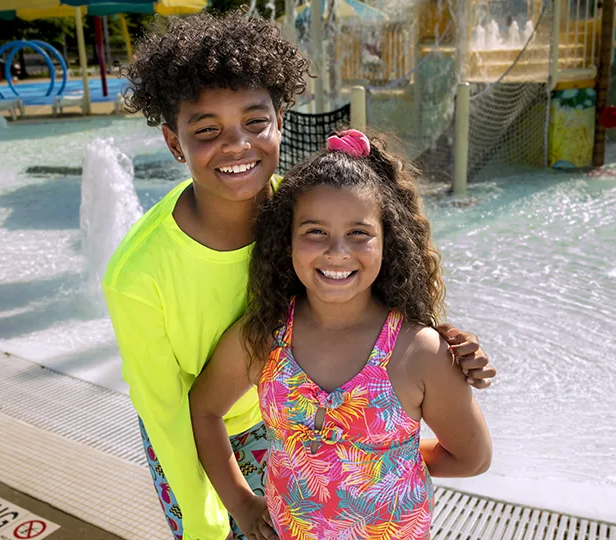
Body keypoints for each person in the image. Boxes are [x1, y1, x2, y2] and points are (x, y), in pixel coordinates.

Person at [103, 11, 496, 540]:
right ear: (175, 142)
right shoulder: (137, 276)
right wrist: (217, 514)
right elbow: (169, 412)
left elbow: (381, 291)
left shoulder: (312, 209)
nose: (237, 145)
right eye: (206, 130)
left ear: (281, 118)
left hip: (292, 426)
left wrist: (446, 340)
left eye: (254, 122)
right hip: (205, 433)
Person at [190, 131, 492, 539]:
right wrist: (241, 502)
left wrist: (384, 458)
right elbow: (204, 410)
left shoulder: (418, 352)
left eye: (358, 233)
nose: (337, 251)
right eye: (315, 231)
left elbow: (473, 458)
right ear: (287, 241)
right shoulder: (264, 336)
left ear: (389, 242)